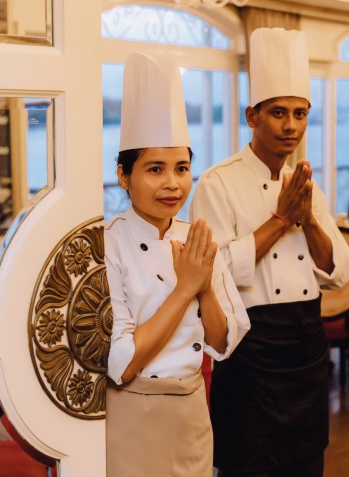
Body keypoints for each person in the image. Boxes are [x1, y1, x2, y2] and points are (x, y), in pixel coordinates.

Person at [190, 28, 349, 477]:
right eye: (279, 113)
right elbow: (215, 270)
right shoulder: (217, 183)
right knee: (249, 464)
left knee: (307, 462)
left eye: (300, 114)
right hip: (251, 346)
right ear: (252, 116)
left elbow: (339, 270)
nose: (291, 126)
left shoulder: (303, 183)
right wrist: (280, 219)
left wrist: (308, 218)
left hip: (307, 341)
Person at [104, 52, 250, 477]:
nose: (172, 183)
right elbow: (123, 364)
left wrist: (205, 288)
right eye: (155, 169)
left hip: (192, 412)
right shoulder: (107, 243)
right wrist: (187, 288)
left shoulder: (198, 238)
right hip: (132, 417)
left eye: (182, 168)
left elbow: (223, 343)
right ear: (124, 176)